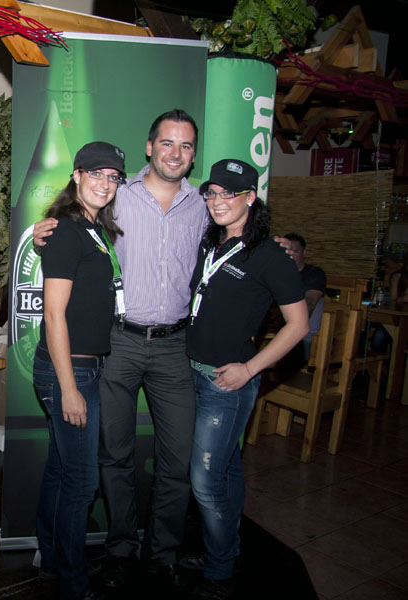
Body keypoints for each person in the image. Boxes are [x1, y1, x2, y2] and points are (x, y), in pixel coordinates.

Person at [35, 109, 206, 589]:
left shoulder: (204, 204)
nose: (175, 153)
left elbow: (239, 231)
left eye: (186, 145)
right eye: (167, 143)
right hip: (119, 343)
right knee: (113, 456)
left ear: (193, 154)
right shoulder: (117, 195)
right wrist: (42, 230)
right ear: (150, 147)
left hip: (174, 344)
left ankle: (162, 553)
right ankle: (120, 549)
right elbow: (67, 227)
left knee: (177, 458)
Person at [186, 159, 308, 599]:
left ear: (251, 197)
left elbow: (299, 325)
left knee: (205, 481)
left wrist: (251, 368)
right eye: (212, 193)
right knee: (227, 471)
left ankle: (220, 570)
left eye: (230, 193)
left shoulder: (270, 256)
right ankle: (226, 551)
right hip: (192, 374)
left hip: (227, 384)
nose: (218, 201)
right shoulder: (212, 242)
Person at [33, 141, 127, 600]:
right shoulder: (68, 231)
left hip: (83, 368)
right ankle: (74, 584)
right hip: (69, 372)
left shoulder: (93, 230)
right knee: (82, 482)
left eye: (113, 177)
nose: (105, 183)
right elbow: (54, 315)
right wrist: (69, 387)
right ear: (76, 175)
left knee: (60, 470)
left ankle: (52, 562)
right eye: (96, 173)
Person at [283, 233, 326, 359]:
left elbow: (310, 303)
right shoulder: (275, 274)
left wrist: (292, 327)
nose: (291, 256)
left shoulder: (314, 274)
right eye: (287, 252)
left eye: (295, 252)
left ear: (304, 253)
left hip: (304, 337)